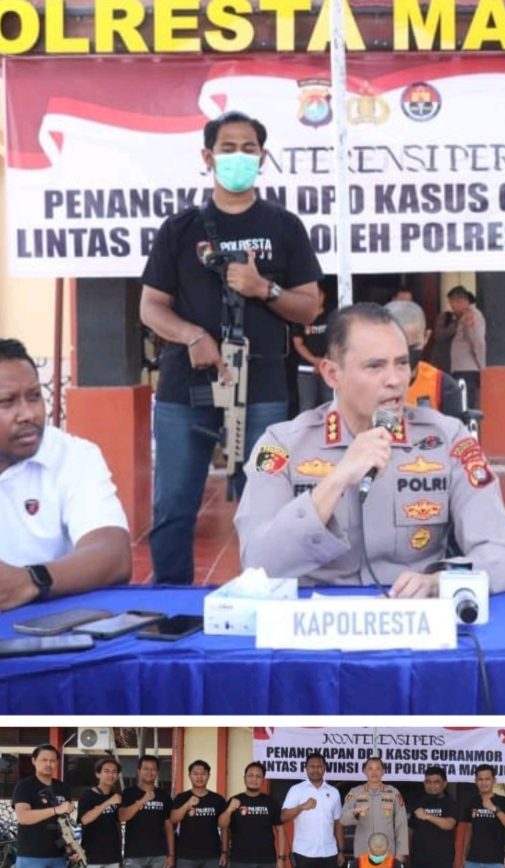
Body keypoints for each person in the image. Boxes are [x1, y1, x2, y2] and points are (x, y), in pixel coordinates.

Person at [140, 109, 321, 584]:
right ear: (208, 157)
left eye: (248, 149)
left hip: (262, 388)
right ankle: (172, 606)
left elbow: (309, 308)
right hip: (186, 386)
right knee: (173, 505)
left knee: (265, 502)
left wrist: (264, 289)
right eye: (228, 148)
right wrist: (192, 335)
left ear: (262, 157)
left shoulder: (284, 226)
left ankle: (263, 598)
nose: (238, 157)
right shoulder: (180, 229)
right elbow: (151, 307)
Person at [236, 302, 505, 596]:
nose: (395, 380)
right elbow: (258, 565)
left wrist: (439, 583)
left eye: (402, 363)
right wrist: (336, 480)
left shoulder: (448, 439)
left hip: (411, 614)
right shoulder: (281, 445)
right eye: (375, 366)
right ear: (332, 374)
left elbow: (502, 556)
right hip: (315, 616)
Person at [0, 338, 130, 611]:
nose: (29, 414)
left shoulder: (73, 455)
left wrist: (30, 581)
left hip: (52, 619)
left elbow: (113, 554)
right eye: (7, 402)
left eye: (35, 396)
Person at [385, 300, 464, 420]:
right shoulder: (368, 383)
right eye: (398, 347)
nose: (406, 355)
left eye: (413, 347)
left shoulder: (443, 386)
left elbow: (453, 430)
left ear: (426, 337)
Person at [340, 757, 409, 861]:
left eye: (378, 768)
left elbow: (401, 824)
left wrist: (401, 852)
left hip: (387, 851)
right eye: (370, 768)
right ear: (364, 771)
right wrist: (355, 812)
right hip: (363, 851)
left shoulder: (393, 793)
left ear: (383, 771)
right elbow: (343, 820)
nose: (374, 772)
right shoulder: (355, 793)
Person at [433, 286, 486, 411]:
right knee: (459, 404)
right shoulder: (461, 317)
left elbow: (478, 341)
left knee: (466, 405)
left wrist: (482, 367)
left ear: (460, 301)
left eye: (452, 303)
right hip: (459, 369)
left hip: (467, 369)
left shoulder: (472, 315)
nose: (452, 307)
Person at [292, 284, 334, 412]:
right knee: (306, 408)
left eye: (319, 294)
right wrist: (316, 361)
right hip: (306, 369)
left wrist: (324, 361)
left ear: (324, 296)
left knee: (331, 407)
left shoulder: (332, 316)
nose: (316, 298)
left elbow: (337, 340)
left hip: (329, 367)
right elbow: (298, 343)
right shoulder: (301, 316)